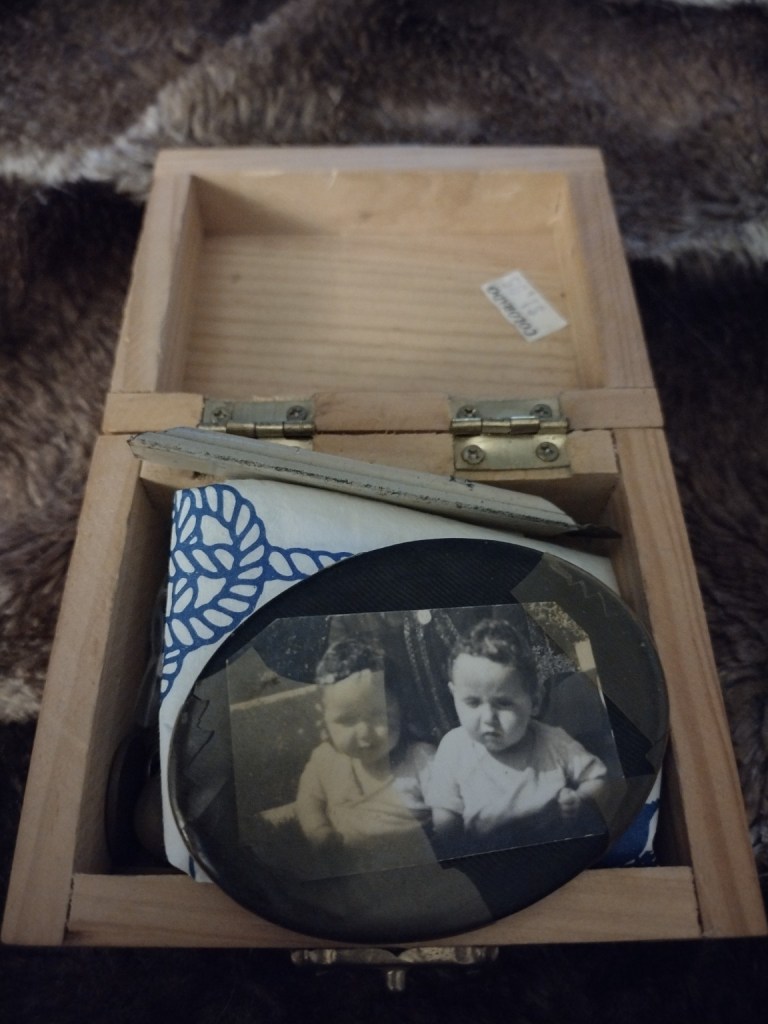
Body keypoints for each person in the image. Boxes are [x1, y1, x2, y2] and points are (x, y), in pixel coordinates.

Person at [429, 618, 608, 856]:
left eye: (503, 704)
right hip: (491, 861)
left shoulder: (553, 741)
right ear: (454, 695)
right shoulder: (454, 748)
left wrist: (581, 800)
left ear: (534, 701)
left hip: (555, 851)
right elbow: (444, 819)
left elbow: (599, 778)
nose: (487, 718)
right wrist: (461, 851)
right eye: (472, 702)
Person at [295, 637, 436, 875]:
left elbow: (452, 813)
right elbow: (308, 802)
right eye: (347, 720)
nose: (365, 733)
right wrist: (319, 833)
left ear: (400, 708)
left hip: (420, 874)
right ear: (325, 719)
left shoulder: (420, 760)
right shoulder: (325, 760)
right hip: (359, 876)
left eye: (378, 716)